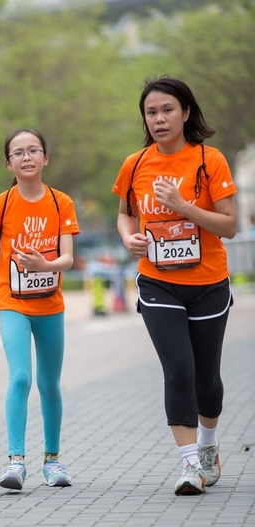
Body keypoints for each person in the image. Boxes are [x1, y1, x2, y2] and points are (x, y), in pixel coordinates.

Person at [112, 77, 237, 496]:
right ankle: (189, 466)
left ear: (185, 112)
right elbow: (125, 214)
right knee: (178, 370)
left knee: (207, 379)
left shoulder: (209, 159)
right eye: (151, 112)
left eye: (167, 110)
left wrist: (183, 207)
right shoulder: (135, 164)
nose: (159, 119)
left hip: (208, 283)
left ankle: (208, 445)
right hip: (157, 282)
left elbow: (230, 226)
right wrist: (128, 237)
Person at [0, 128, 80, 490]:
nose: (27, 157)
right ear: (8, 163)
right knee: (19, 378)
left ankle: (53, 461)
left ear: (46, 158)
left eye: (34, 150)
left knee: (49, 384)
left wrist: (45, 265)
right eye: (18, 152)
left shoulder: (61, 202)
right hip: (12, 302)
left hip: (50, 306)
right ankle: (15, 462)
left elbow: (68, 258)